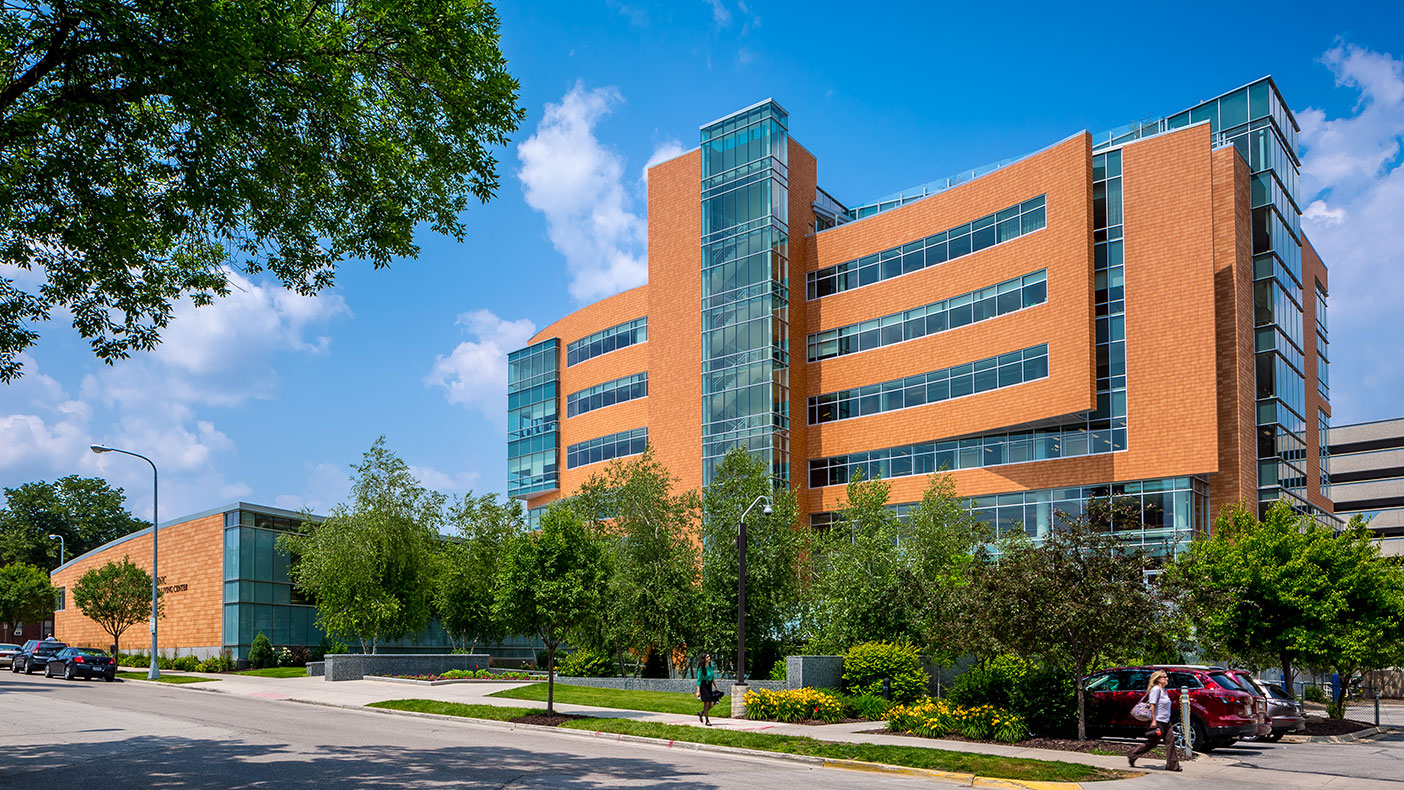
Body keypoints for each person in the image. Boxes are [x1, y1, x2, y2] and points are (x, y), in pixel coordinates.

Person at [1128, 670, 1182, 771]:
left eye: (1166, 677)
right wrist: (1153, 721)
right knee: (1153, 742)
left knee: (1171, 742)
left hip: (1166, 721)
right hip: (1158, 721)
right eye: (1164, 677)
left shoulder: (1164, 691)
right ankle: (1132, 754)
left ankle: (1173, 766)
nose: (1167, 679)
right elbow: (1152, 705)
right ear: (1158, 679)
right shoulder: (1156, 690)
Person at [696, 653, 719, 726]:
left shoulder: (710, 666)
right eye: (707, 657)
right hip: (703, 686)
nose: (709, 658)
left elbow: (712, 677)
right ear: (704, 659)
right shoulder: (701, 668)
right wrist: (698, 691)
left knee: (712, 703)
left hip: (709, 685)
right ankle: (707, 720)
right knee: (707, 703)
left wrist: (715, 686)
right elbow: (699, 680)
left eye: (709, 656)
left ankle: (701, 713)